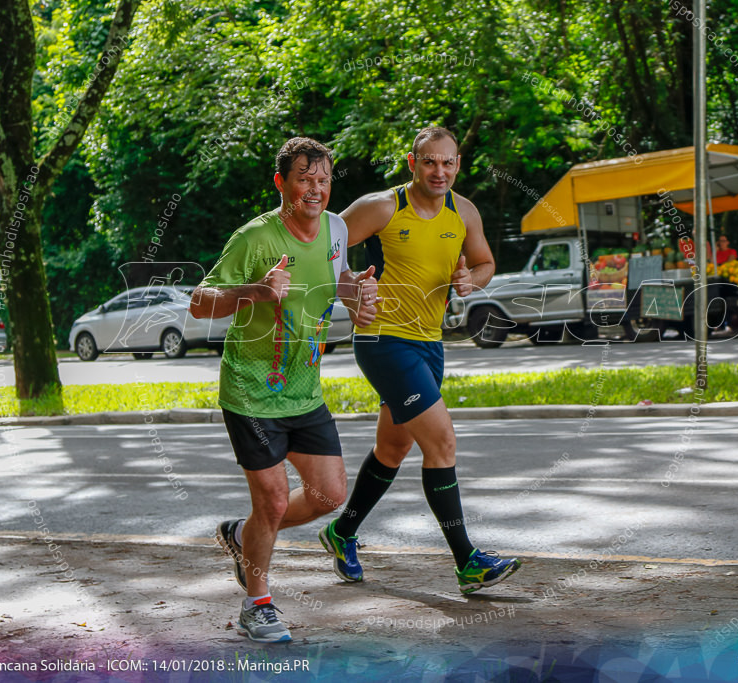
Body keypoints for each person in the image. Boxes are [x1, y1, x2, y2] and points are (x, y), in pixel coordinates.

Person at [189, 137, 379, 643]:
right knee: (272, 502)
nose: (315, 190)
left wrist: (355, 288)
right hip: (251, 391)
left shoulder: (337, 229)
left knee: (328, 495)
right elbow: (199, 302)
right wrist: (254, 291)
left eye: (323, 180)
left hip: (304, 389)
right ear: (281, 183)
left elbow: (335, 279)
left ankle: (240, 536)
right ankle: (257, 604)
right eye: (304, 179)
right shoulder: (254, 239)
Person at [317, 127, 520, 594]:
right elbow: (325, 241)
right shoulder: (382, 206)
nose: (439, 171)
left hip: (431, 343)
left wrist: (472, 280)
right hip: (383, 339)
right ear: (412, 163)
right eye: (430, 162)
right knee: (442, 442)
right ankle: (467, 561)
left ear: (458, 164)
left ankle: (341, 532)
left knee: (393, 449)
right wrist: (349, 287)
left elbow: (485, 262)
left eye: (448, 163)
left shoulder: (463, 211)